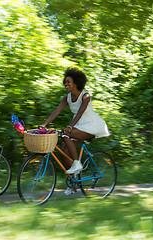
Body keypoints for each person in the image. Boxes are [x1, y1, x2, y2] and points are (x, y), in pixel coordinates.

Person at [40, 67, 110, 195]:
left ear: (76, 83)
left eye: (69, 82)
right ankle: (73, 182)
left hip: (90, 125)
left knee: (66, 134)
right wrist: (45, 124)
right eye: (65, 82)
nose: (66, 84)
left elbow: (80, 112)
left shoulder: (85, 96)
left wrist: (70, 127)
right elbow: (57, 111)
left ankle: (77, 163)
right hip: (77, 126)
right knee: (63, 153)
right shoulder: (66, 98)